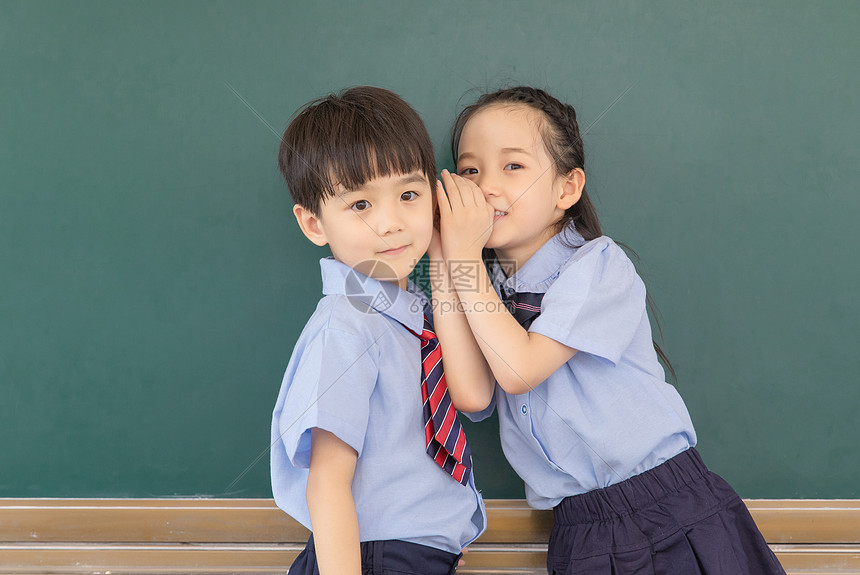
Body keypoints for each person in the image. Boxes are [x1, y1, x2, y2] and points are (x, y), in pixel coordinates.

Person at [429, 86, 785, 574]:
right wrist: (443, 257)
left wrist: (466, 257)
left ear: (567, 189)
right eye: (470, 170)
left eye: (513, 166)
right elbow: (471, 396)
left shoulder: (597, 265)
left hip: (669, 513)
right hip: (578, 530)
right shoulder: (485, 289)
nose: (487, 185)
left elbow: (519, 369)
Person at [270, 86, 486, 575]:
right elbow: (326, 483)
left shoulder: (412, 318)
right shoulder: (347, 325)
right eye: (360, 205)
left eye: (409, 195)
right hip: (370, 558)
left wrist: (443, 251)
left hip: (413, 554)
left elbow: (472, 395)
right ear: (312, 223)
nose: (390, 223)